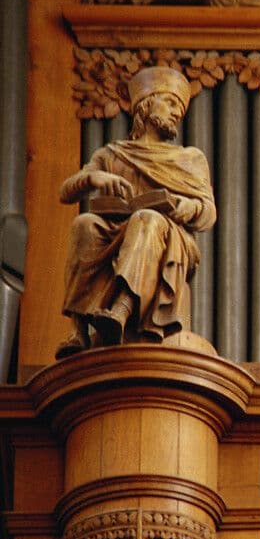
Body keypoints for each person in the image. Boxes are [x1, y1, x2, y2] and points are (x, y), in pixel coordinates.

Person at [56, 66, 216, 357]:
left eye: (180, 108)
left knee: (146, 219)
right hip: (118, 231)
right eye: (170, 103)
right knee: (84, 224)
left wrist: (183, 207)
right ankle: (78, 331)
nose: (177, 113)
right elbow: (65, 192)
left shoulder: (190, 158)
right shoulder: (112, 154)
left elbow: (207, 211)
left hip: (170, 238)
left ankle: (121, 310)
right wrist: (94, 178)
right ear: (145, 104)